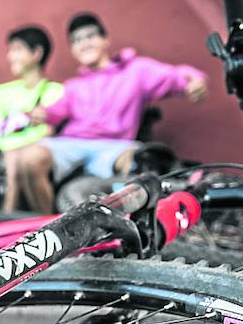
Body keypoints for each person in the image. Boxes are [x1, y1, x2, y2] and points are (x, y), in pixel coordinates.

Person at [16, 12, 209, 212]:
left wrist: (195, 82)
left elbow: (178, 76)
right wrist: (42, 114)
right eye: (76, 41)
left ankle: (132, 231)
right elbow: (56, 111)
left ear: (105, 40)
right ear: (73, 50)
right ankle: (51, 227)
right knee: (30, 159)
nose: (84, 43)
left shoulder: (136, 70)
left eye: (90, 36)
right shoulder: (74, 86)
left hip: (116, 146)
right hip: (73, 143)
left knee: (139, 161)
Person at [0, 26, 65, 211]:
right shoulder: (0, 92)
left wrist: (16, 151)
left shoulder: (55, 91)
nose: (10, 56)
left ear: (37, 53)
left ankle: (9, 220)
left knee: (17, 158)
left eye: (17, 49)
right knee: (12, 158)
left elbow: (51, 133)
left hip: (30, 156)